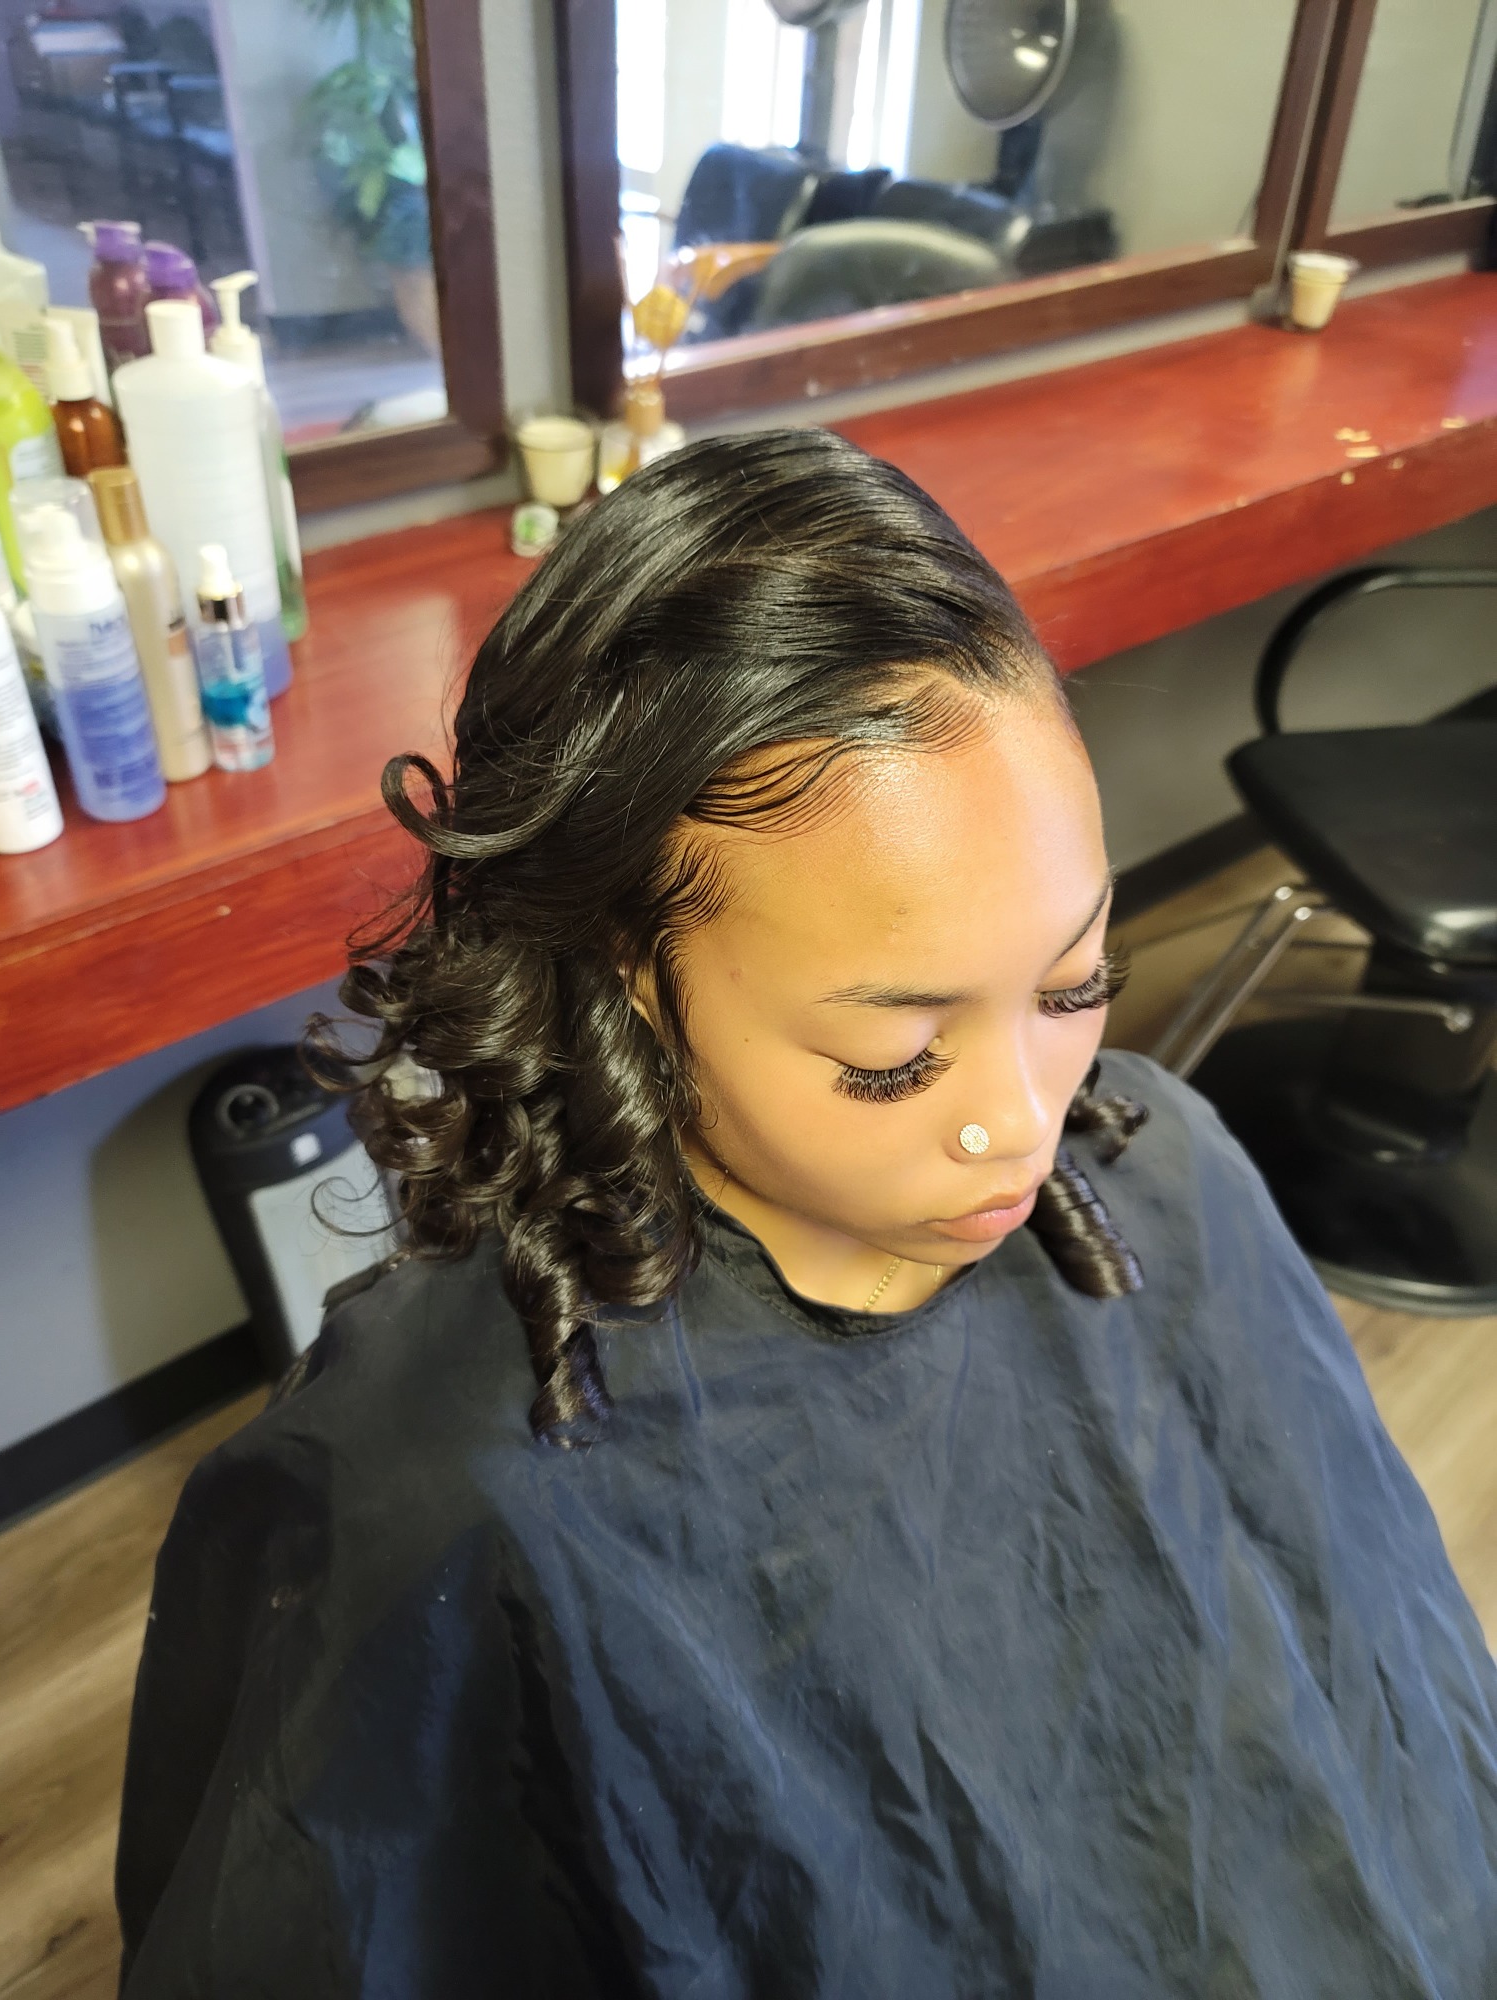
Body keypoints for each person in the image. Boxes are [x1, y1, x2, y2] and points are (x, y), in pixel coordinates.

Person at [115, 431, 1497, 1997]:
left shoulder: (1162, 1162)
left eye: (1074, 985)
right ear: (626, 979)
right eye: (892, 1059)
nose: (1024, 1121)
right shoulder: (449, 1486)